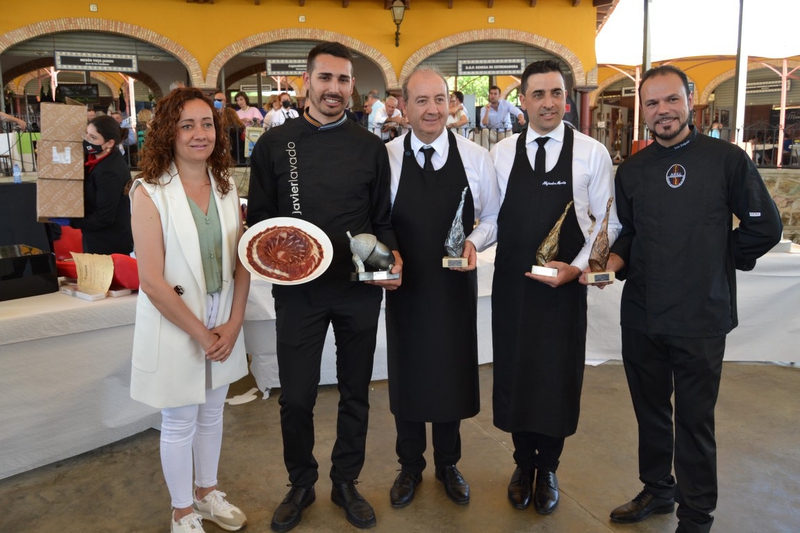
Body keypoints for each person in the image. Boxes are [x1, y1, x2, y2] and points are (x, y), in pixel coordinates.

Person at [604, 65, 782, 533]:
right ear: (643, 110)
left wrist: (720, 262)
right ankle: (658, 490)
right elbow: (628, 234)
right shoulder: (633, 170)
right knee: (651, 412)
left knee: (695, 422)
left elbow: (766, 226)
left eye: (671, 100)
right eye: (652, 104)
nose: (662, 111)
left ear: (690, 102)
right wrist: (610, 264)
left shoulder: (727, 160)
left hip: (701, 315)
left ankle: (697, 515)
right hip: (642, 313)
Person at [247, 41, 402, 532]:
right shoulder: (274, 145)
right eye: (325, 78)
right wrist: (279, 264)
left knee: (356, 389)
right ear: (306, 82)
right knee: (296, 395)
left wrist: (391, 260)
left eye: (343, 80)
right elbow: (262, 225)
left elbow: (381, 220)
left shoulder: (369, 146)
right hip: (299, 292)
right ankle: (301, 481)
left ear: (352, 86)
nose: (334, 89)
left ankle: (345, 481)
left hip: (358, 288)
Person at [490, 59, 620, 516]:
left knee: (556, 377)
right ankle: (523, 463)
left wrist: (578, 269)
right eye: (538, 94)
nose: (548, 102)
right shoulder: (501, 154)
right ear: (522, 101)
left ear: (567, 98)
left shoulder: (591, 153)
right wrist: (467, 244)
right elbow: (490, 219)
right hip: (513, 286)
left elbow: (608, 223)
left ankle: (549, 469)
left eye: (556, 93)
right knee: (516, 373)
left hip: (563, 288)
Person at [129, 87, 250, 533]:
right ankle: (182, 510)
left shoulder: (225, 186)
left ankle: (207, 493)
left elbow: (242, 261)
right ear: (168, 133)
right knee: (179, 417)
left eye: (207, 124)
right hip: (179, 317)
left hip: (222, 313)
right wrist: (203, 334)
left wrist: (234, 322)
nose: (200, 134)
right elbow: (153, 283)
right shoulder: (148, 193)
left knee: (213, 411)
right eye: (187, 125)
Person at [384, 67, 500, 509]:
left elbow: (492, 217)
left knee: (451, 369)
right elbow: (378, 220)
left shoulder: (474, 157)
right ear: (405, 106)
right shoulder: (389, 157)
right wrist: (387, 255)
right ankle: (409, 465)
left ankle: (449, 463)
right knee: (409, 370)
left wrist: (473, 242)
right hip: (406, 286)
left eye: (439, 100)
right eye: (421, 101)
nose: (431, 109)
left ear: (451, 104)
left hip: (453, 285)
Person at [67, 114, 134, 255]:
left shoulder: (109, 173)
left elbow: (103, 218)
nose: (87, 140)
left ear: (109, 143)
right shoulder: (97, 158)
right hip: (98, 240)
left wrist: (72, 221)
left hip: (108, 246)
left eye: (93, 138)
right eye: (87, 135)